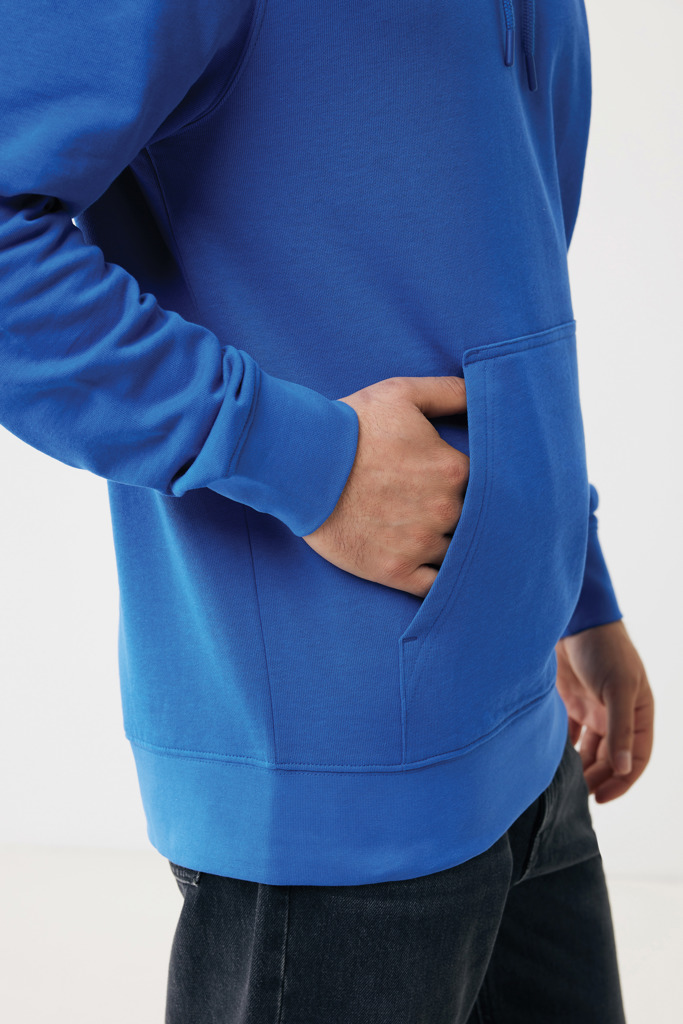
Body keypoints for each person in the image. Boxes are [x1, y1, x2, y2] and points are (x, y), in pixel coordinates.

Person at [0, 2, 655, 1022]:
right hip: (328, 776)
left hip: (526, 738)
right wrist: (304, 458)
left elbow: (497, 282)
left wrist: (576, 586)